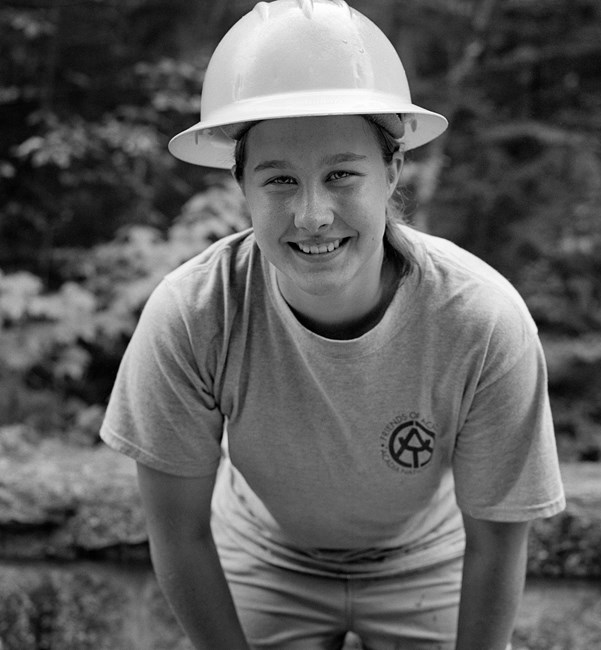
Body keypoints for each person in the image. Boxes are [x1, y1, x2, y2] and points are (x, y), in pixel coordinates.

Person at [100, 1, 566, 649]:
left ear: (392, 172)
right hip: (261, 553)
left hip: (430, 558)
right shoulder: (193, 313)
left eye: (342, 174)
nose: (313, 213)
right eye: (280, 180)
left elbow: (495, 539)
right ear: (242, 187)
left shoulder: (482, 320)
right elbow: (178, 533)